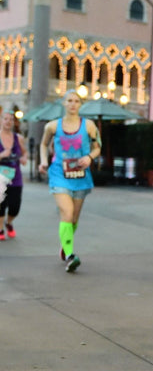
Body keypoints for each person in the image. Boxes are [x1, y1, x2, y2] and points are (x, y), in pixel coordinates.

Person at [38, 90, 101, 272]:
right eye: (70, 101)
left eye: (77, 101)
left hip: (81, 176)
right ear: (64, 104)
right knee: (66, 212)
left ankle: (65, 246)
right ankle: (70, 254)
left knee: (73, 218)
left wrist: (89, 157)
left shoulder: (89, 126)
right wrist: (43, 161)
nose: (73, 104)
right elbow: (43, 144)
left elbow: (98, 147)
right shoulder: (52, 126)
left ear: (80, 105)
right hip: (59, 173)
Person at [0, 109, 28, 240]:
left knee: (15, 207)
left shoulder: (19, 138)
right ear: (1, 120)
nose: (8, 122)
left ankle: (9, 222)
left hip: (16, 179)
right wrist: (2, 155)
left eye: (11, 119)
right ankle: (0, 230)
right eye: (6, 119)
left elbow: (25, 152)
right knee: (1, 205)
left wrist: (24, 158)